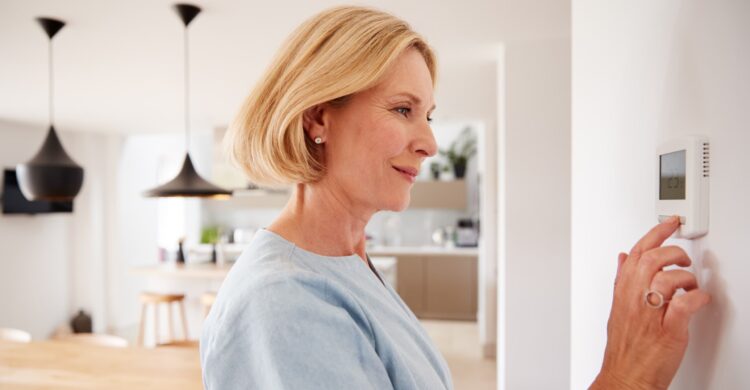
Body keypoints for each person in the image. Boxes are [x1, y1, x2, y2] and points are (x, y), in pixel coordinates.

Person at [200, 6, 711, 389]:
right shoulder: (284, 304)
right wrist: (622, 377)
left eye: (429, 114)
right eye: (402, 109)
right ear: (317, 119)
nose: (429, 142)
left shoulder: (346, 264)